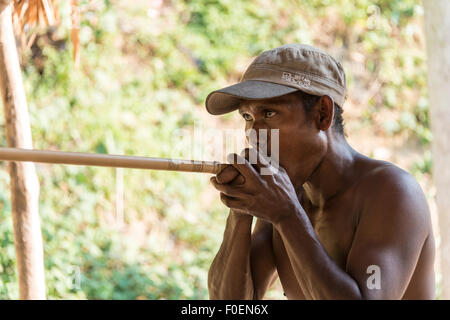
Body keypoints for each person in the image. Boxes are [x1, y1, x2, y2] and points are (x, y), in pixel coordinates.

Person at [205, 44, 435, 300]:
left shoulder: (391, 192)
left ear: (322, 114)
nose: (253, 135)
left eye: (269, 113)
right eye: (247, 117)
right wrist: (241, 211)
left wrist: (288, 216)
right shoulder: (284, 197)